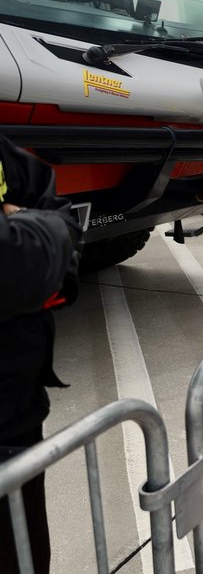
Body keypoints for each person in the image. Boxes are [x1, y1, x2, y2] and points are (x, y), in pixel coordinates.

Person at [0, 135, 82, 574]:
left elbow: (61, 210)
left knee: (28, 555)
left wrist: (35, 231)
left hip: (19, 412)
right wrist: (44, 232)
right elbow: (13, 265)